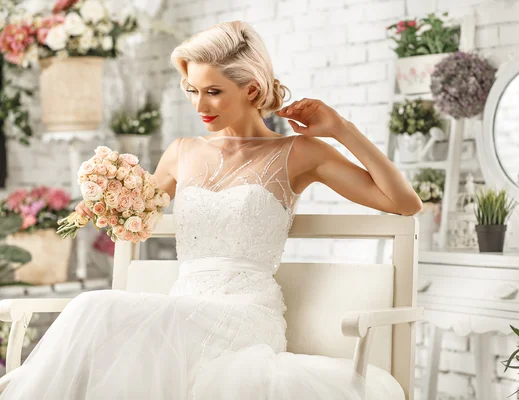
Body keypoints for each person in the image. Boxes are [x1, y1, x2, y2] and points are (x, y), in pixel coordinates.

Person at [0, 21, 422, 399]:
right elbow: (130, 215)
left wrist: (341, 130)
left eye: (213, 91)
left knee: (95, 308)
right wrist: (102, 198)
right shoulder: (182, 152)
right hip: (182, 310)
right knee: (96, 313)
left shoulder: (299, 152)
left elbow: (404, 203)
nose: (200, 105)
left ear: (251, 89)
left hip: (244, 317)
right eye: (192, 91)